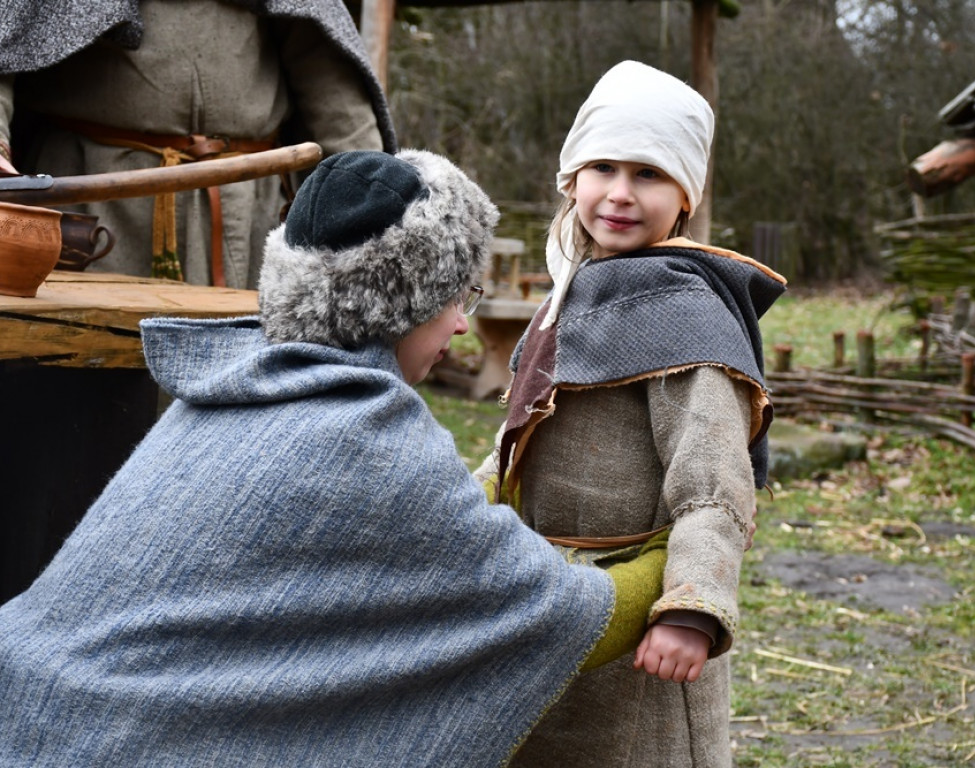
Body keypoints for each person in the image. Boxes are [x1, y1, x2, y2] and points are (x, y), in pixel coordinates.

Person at [0, 149, 672, 768]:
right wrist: (679, 558)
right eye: (455, 296)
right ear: (402, 302)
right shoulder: (365, 438)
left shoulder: (232, 387)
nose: (463, 324)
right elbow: (554, 612)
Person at [475, 61, 788, 767]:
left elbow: (712, 480)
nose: (619, 193)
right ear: (571, 180)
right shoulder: (568, 296)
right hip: (549, 603)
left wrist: (690, 607)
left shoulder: (689, 317)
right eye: (603, 168)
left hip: (644, 631)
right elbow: (513, 445)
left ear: (685, 197)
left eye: (648, 174)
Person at [0, 0, 395, 289]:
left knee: (245, 372)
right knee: (95, 380)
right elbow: (7, 42)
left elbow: (335, 102)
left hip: (250, 210)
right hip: (93, 206)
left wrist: (379, 205)